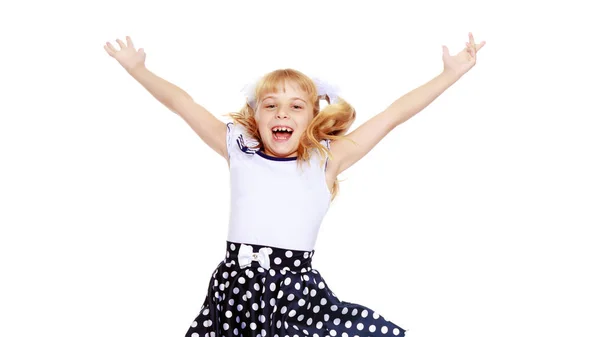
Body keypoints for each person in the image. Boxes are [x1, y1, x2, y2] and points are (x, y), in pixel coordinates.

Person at [104, 33, 485, 337]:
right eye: (270, 105)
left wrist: (450, 74)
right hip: (234, 292)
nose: (282, 112)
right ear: (255, 115)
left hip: (295, 295)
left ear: (311, 118)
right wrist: (138, 70)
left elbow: (393, 116)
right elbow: (181, 102)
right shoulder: (239, 151)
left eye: (295, 106)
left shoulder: (326, 161)